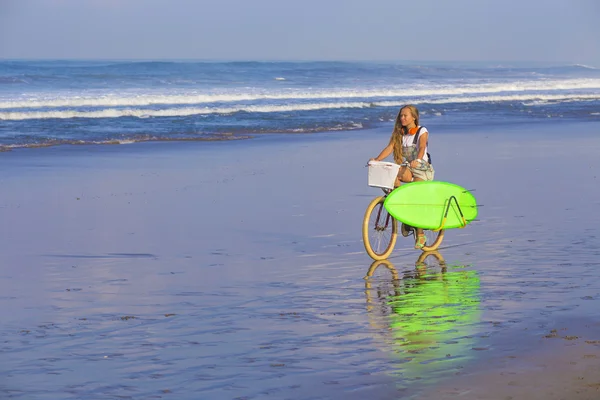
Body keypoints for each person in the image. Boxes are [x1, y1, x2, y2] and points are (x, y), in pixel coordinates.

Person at [369, 105, 435, 249]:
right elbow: (390, 147)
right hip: (408, 168)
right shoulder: (400, 133)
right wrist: (377, 160)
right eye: (401, 116)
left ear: (414, 117)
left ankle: (421, 233)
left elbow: (422, 147)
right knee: (392, 174)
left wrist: (417, 159)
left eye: (405, 115)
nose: (402, 118)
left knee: (414, 196)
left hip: (421, 169)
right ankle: (404, 209)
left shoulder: (421, 131)